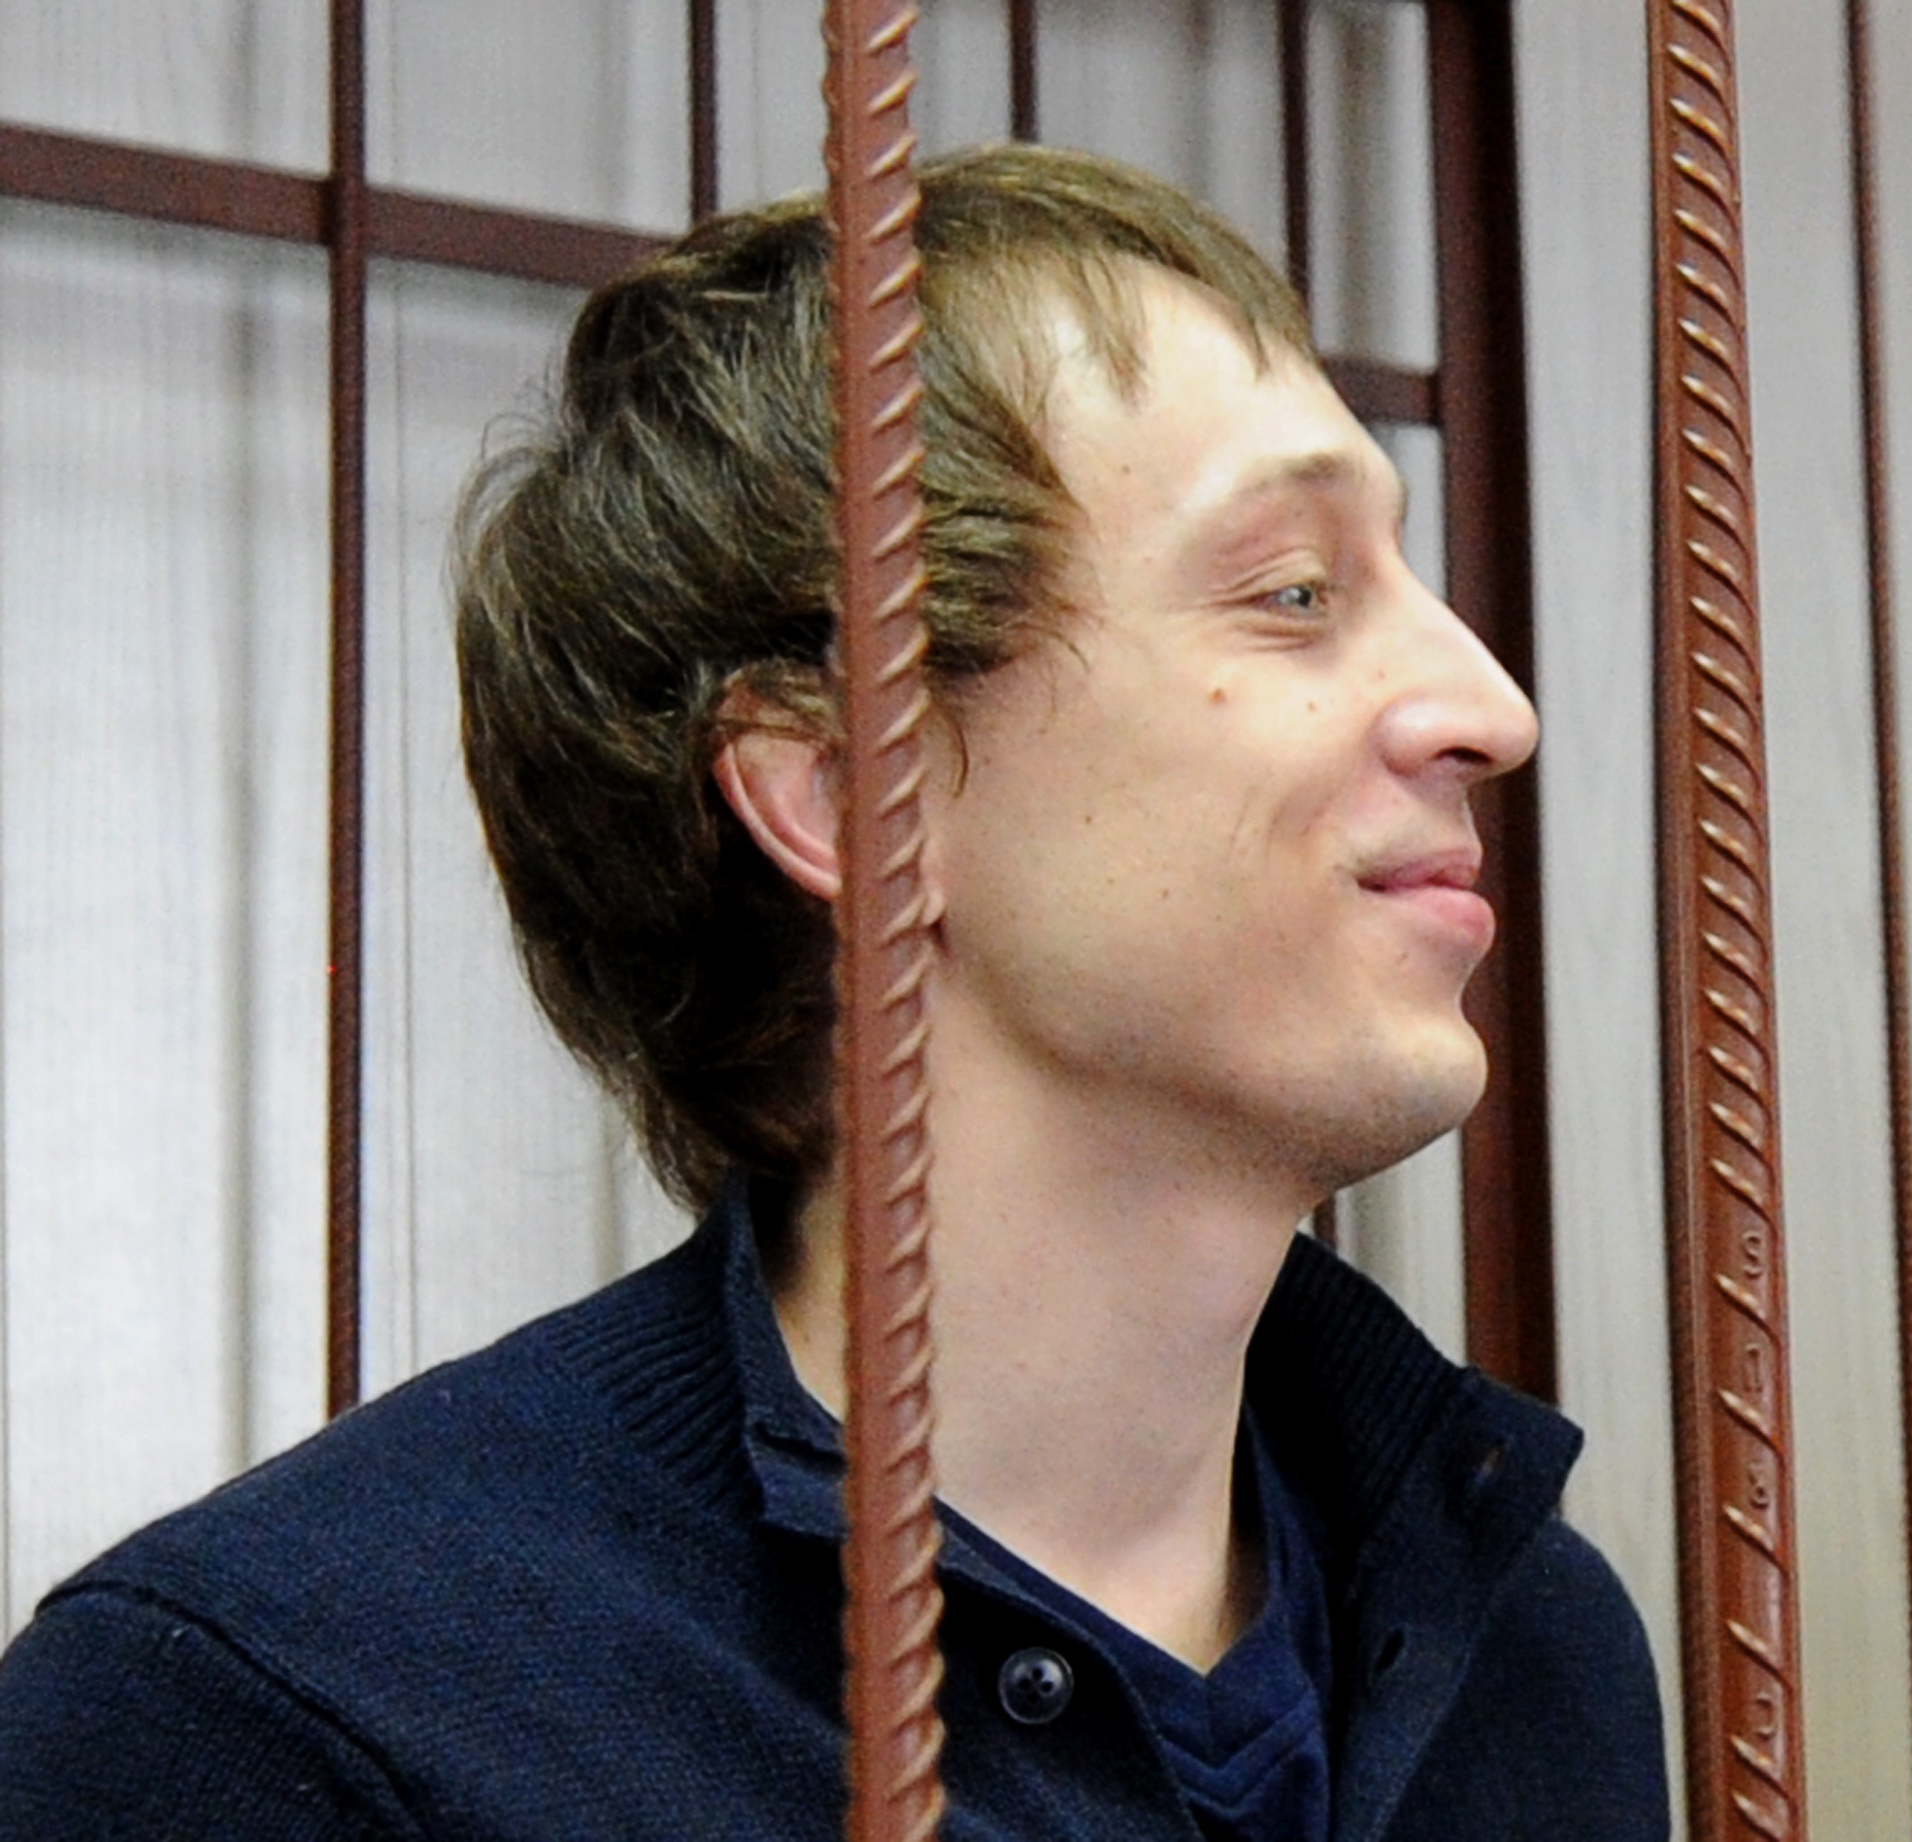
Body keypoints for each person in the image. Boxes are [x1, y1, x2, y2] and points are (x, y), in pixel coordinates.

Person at [0, 143, 1668, 1841]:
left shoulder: (1532, 1648)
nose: (1491, 706)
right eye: (1293, 593)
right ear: (845, 795)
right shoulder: (271, 1722)